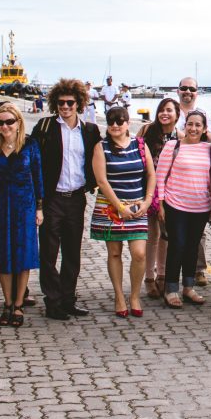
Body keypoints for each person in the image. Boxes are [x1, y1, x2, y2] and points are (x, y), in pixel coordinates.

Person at [31, 79, 103, 320]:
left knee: (72, 252)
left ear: (79, 103)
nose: (65, 107)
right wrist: (38, 200)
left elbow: (98, 160)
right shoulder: (45, 127)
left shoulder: (90, 131)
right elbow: (34, 162)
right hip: (52, 198)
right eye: (61, 102)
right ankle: (53, 301)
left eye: (70, 103)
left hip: (76, 198)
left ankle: (68, 299)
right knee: (49, 253)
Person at [90, 106, 155, 318]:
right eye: (111, 122)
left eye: (120, 121)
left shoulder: (140, 144)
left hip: (137, 205)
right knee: (115, 253)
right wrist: (120, 207)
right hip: (111, 208)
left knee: (139, 253)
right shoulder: (101, 147)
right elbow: (101, 181)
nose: (115, 125)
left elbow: (151, 175)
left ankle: (134, 295)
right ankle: (119, 296)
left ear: (128, 123)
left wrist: (147, 201)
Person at [0, 104, 43, 327]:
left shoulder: (30, 145)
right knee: (4, 255)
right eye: (0, 122)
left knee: (23, 255)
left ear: (19, 122)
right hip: (1, 206)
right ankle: (8, 303)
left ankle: (19, 303)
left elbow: (38, 177)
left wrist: (39, 208)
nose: (5, 126)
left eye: (9, 121)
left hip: (25, 206)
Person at [157, 110, 211, 308]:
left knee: (192, 247)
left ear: (204, 129)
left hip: (201, 206)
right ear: (184, 125)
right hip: (176, 205)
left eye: (198, 125)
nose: (193, 128)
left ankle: (189, 287)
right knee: (177, 245)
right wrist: (161, 204)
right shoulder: (173, 146)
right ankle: (171, 289)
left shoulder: (209, 148)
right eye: (190, 124)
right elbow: (160, 176)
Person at [139, 97, 180, 299]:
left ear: (177, 115)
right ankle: (148, 277)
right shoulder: (147, 131)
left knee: (166, 235)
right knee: (151, 235)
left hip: (170, 191)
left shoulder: (180, 136)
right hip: (147, 189)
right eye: (162, 110)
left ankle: (162, 275)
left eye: (169, 110)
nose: (165, 113)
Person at [174, 76, 211, 286]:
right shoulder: (171, 110)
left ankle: (198, 270)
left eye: (192, 89)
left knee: (199, 233)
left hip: (197, 179)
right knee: (171, 234)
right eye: (184, 88)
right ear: (178, 90)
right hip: (176, 178)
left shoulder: (204, 114)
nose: (188, 92)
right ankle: (165, 273)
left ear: (197, 92)